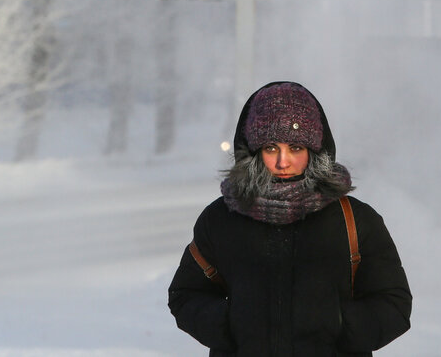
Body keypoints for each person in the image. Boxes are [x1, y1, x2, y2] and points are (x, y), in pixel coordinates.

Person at [168, 81, 412, 356]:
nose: (283, 161)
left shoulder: (354, 220)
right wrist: (230, 324)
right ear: (254, 151)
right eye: (271, 148)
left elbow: (394, 303)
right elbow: (185, 295)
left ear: (315, 150)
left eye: (296, 147)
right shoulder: (221, 218)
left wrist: (338, 325)